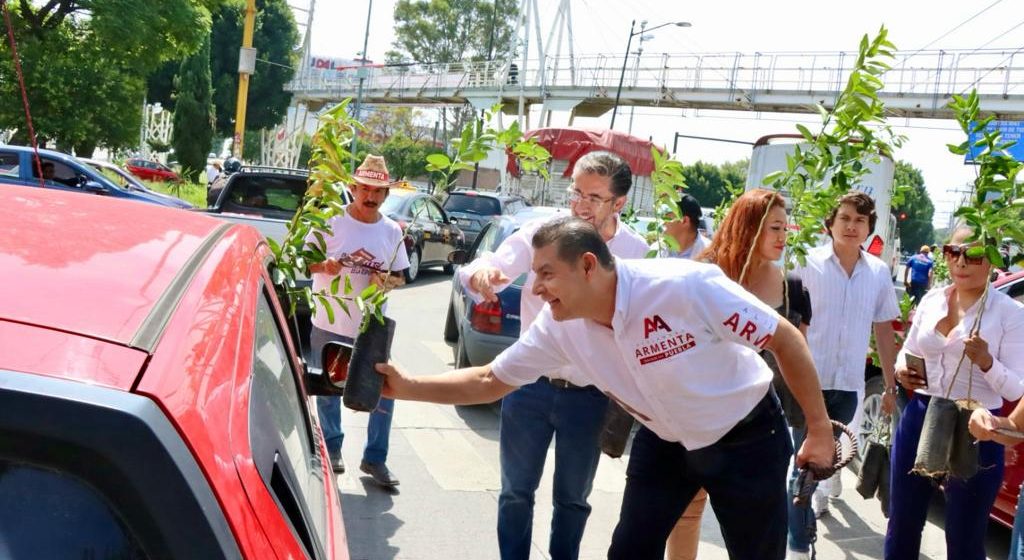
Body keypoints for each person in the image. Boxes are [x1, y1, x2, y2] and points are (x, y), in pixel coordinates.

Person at [373, 217, 835, 560]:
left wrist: (818, 430)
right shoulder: (558, 326)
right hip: (666, 441)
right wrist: (406, 385)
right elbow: (490, 380)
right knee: (629, 553)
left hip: (748, 437)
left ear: (589, 265)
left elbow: (783, 337)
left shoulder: (685, 287)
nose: (535, 286)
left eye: (547, 273)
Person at [457, 151, 648, 560]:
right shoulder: (543, 232)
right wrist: (483, 272)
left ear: (619, 203)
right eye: (575, 192)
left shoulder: (635, 251)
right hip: (528, 389)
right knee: (514, 492)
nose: (579, 205)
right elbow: (494, 261)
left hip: (591, 397)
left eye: (593, 198)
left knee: (573, 500)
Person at [656, 189, 812, 560]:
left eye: (784, 228)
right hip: (700, 413)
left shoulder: (792, 288)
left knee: (752, 528)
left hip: (758, 426)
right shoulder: (703, 274)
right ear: (747, 227)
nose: (782, 236)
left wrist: (812, 423)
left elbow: (799, 356)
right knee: (686, 511)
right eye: (773, 227)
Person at [887, 226, 1024, 559]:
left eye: (973, 254)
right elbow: (908, 349)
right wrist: (902, 370)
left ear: (991, 260)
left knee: (964, 534)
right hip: (923, 411)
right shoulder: (934, 298)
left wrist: (987, 361)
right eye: (953, 252)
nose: (961, 262)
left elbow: (1017, 388)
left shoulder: (1010, 313)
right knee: (903, 520)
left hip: (976, 423)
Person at [788, 190, 900, 559]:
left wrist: (889, 383)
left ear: (869, 227)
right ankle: (799, 546)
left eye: (860, 221)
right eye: (845, 219)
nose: (852, 227)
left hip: (848, 383)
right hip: (808, 380)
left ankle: (824, 486)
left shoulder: (878, 273)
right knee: (801, 464)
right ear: (830, 224)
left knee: (830, 456)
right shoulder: (807, 263)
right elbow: (788, 323)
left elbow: (884, 329)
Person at [306, 154, 410, 487]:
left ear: (386, 196)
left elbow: (400, 277)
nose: (371, 196)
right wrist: (324, 266)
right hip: (329, 321)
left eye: (378, 191)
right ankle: (332, 449)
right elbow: (305, 263)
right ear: (352, 188)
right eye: (365, 188)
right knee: (327, 391)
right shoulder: (328, 222)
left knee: (383, 393)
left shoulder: (392, 230)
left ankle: (375, 459)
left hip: (370, 327)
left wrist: (386, 281)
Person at [659, 193, 710, 259]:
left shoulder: (710, 254)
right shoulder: (658, 249)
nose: (661, 222)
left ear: (685, 221)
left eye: (666, 217)